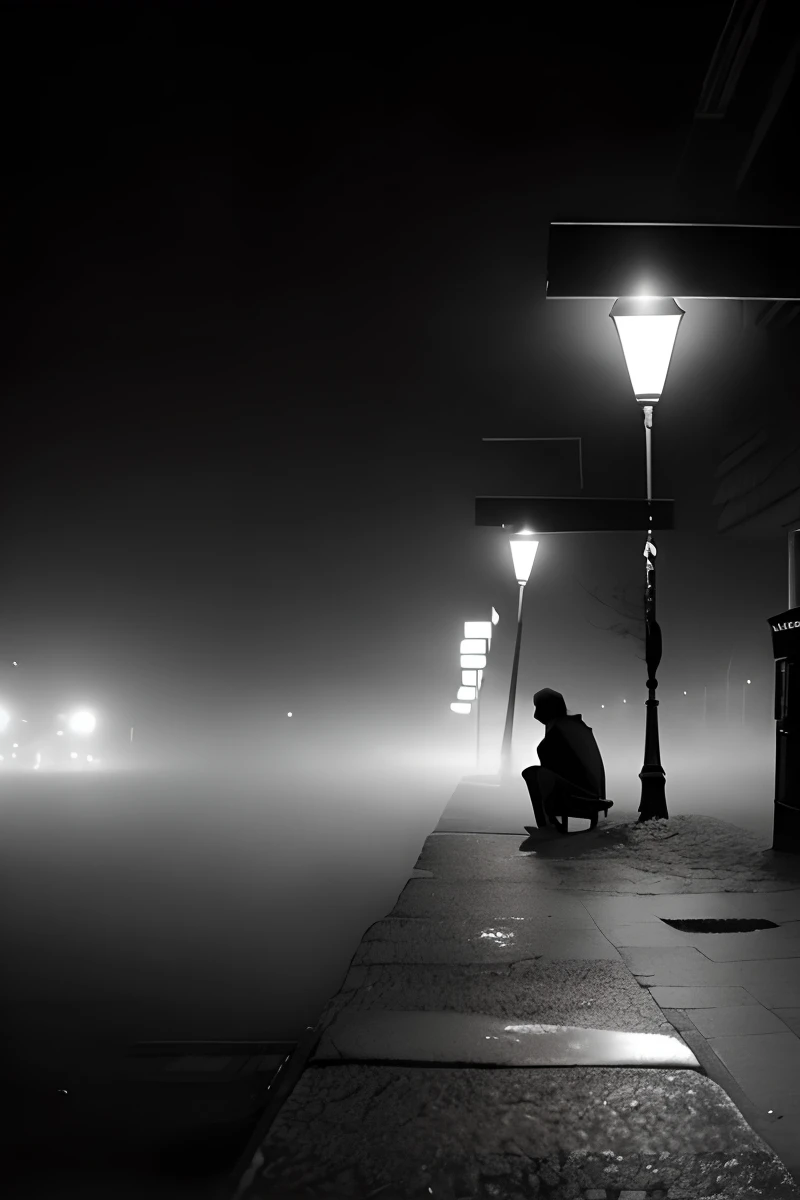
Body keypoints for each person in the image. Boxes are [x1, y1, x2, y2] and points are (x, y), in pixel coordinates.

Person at [521, 688, 606, 831]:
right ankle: (551, 823)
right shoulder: (568, 726)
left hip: (582, 794)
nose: (535, 714)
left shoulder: (562, 728)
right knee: (540, 775)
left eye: (538, 707)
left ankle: (546, 826)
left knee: (534, 774)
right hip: (585, 792)